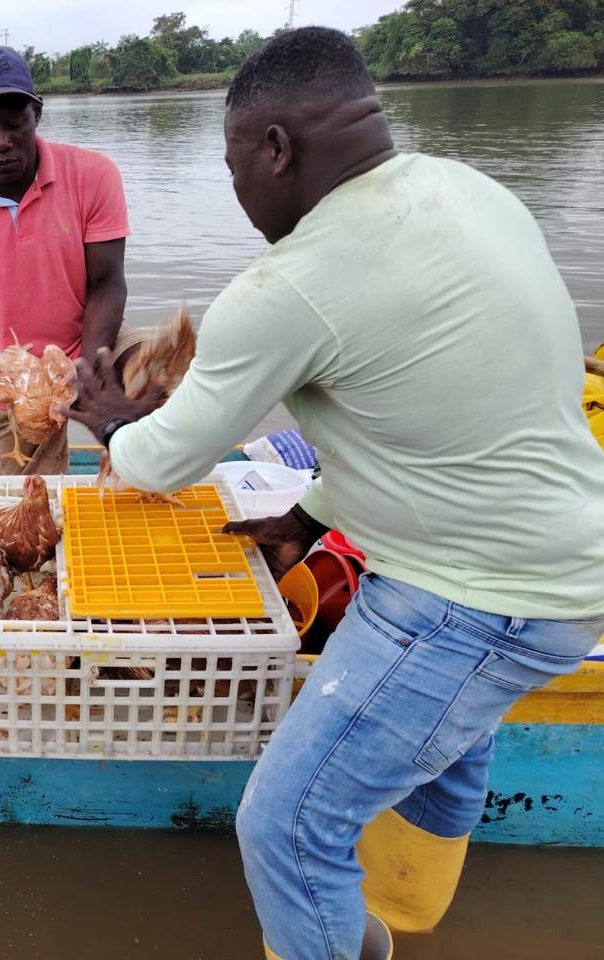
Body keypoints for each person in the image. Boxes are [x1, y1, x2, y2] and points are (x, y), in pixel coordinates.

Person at [66, 27, 604, 960]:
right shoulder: (472, 192)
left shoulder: (291, 282)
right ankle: (390, 923)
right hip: (566, 567)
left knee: (284, 829)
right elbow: (442, 412)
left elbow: (160, 462)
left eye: (234, 168)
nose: (239, 194)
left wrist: (109, 417)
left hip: (473, 598)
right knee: (444, 749)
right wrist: (312, 512)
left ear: (275, 149)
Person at [0, 45, 147, 476]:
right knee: (29, 501)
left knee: (156, 369)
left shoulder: (93, 175)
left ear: (37, 113)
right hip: (15, 370)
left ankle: (148, 476)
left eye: (14, 125)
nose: (1, 142)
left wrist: (86, 370)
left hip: (91, 337)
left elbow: (106, 283)